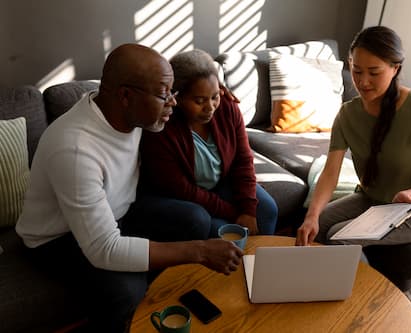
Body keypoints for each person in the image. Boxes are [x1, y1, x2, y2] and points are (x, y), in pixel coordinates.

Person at [15, 44, 243, 333]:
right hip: (58, 237)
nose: (172, 103)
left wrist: (213, 84)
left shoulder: (128, 108)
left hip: (120, 211)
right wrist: (199, 251)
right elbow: (104, 248)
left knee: (195, 219)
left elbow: (153, 74)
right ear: (125, 96)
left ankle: (168, 303)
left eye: (173, 93)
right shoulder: (74, 149)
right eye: (165, 95)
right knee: (127, 288)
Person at [296, 26, 411, 251]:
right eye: (357, 71)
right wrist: (312, 215)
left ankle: (364, 287)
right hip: (373, 200)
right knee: (316, 225)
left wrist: (410, 194)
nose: (363, 82)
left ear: (395, 69)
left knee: (339, 239)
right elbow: (331, 172)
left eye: (374, 72)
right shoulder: (348, 114)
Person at [134, 49, 278, 241]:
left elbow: (243, 160)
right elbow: (182, 190)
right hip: (177, 196)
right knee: (220, 230)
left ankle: (258, 264)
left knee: (267, 210)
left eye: (214, 96)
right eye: (199, 100)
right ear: (176, 97)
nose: (210, 107)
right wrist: (235, 212)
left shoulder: (227, 106)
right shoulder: (162, 126)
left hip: (218, 184)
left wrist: (248, 210)